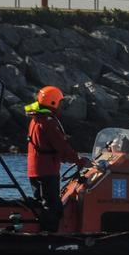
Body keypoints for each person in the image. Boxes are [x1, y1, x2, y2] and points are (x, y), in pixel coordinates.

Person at [25, 86, 89, 232]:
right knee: (53, 208)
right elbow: (62, 146)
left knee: (42, 204)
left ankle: (40, 233)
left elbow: (49, 146)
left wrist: (70, 159)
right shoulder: (48, 122)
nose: (61, 105)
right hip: (47, 171)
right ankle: (49, 238)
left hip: (35, 170)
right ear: (53, 102)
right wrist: (79, 161)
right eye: (59, 102)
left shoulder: (35, 119)